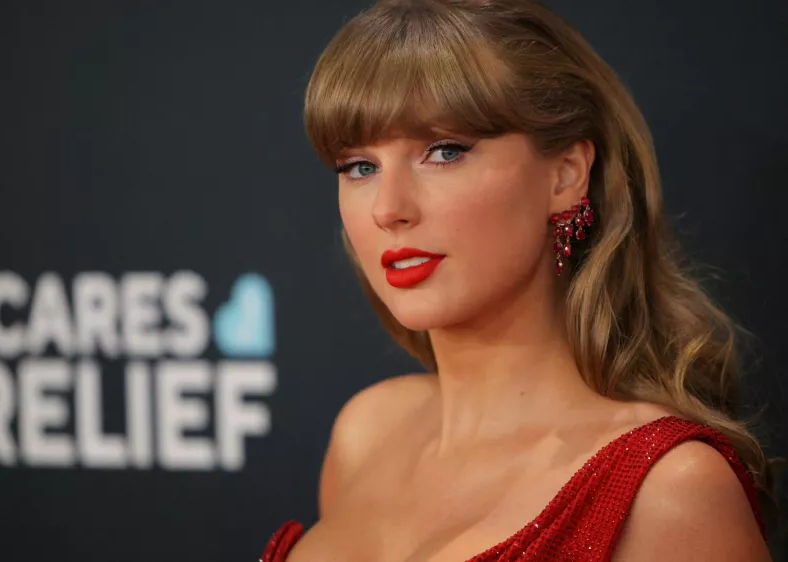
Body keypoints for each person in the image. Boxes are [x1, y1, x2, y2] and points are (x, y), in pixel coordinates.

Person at [260, 0, 781, 560]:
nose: (388, 208)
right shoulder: (366, 432)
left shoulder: (668, 488)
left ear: (566, 174)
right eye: (360, 167)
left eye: (444, 151)